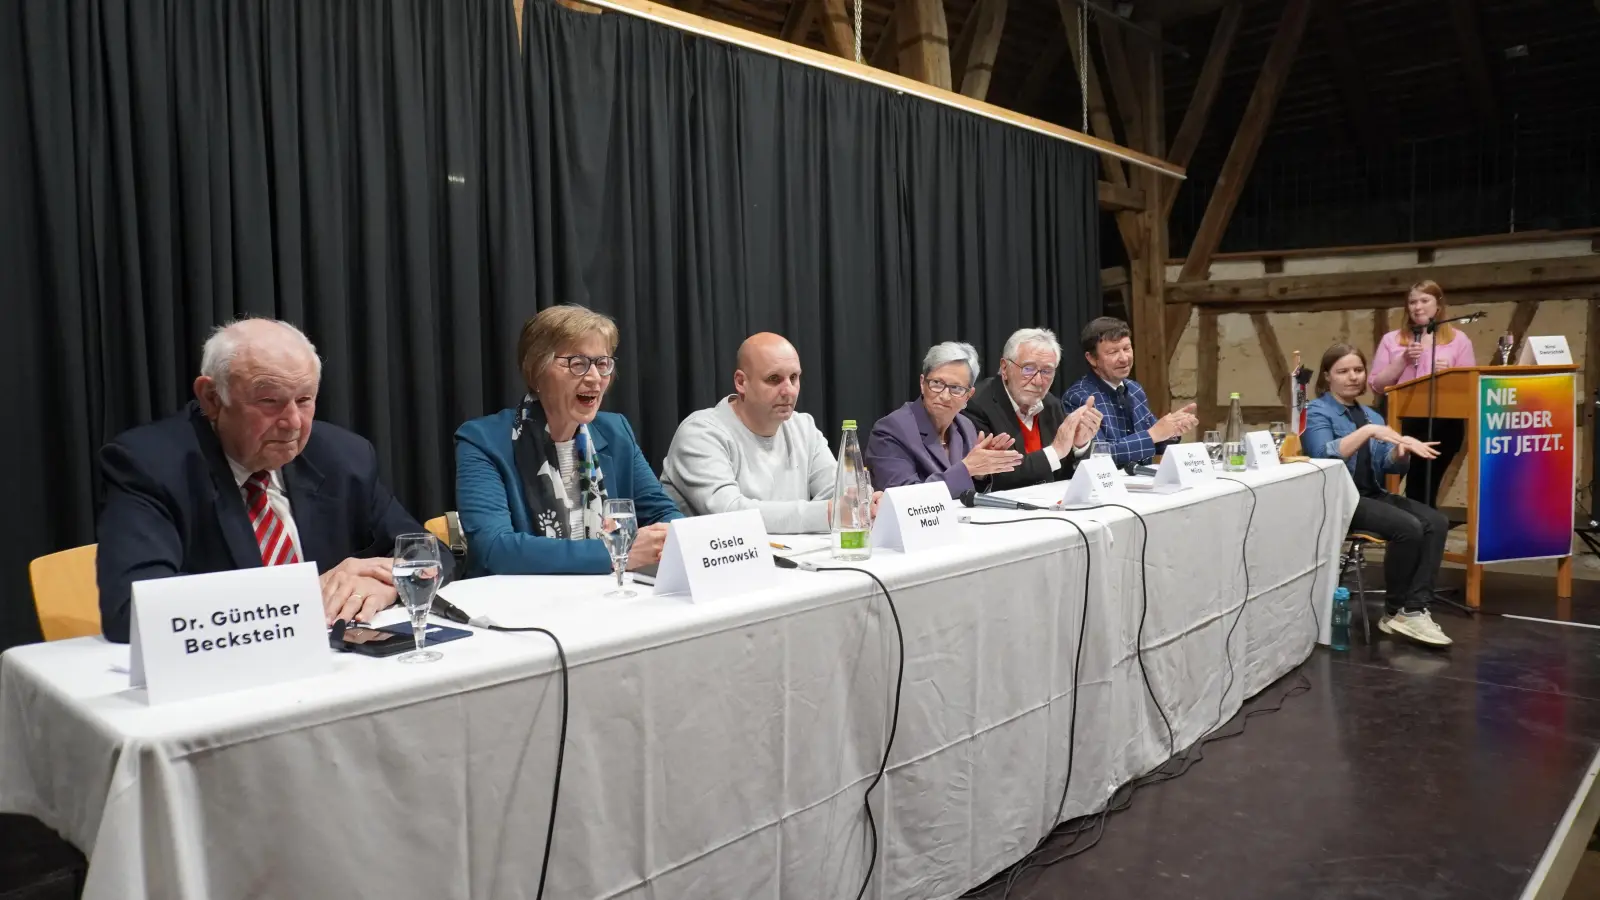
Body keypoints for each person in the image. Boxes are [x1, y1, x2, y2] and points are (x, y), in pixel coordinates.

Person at [95, 319, 447, 644]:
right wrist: (304, 593)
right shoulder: (149, 465)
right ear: (212, 398)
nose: (293, 422)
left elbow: (431, 554)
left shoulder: (344, 456)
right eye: (269, 402)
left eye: (305, 400)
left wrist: (390, 585)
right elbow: (132, 611)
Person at [455, 305, 682, 576]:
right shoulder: (483, 440)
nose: (595, 378)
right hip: (519, 606)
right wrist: (614, 551)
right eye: (577, 364)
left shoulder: (615, 431)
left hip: (602, 598)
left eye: (602, 363)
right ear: (536, 369)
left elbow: (665, 515)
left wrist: (667, 535)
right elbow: (494, 548)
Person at [1305, 342, 1451, 647]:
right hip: (1341, 500)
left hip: (1372, 493)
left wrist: (1400, 452)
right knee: (1408, 528)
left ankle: (1415, 609)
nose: (1353, 377)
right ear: (1327, 377)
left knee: (1436, 522)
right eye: (1343, 371)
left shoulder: (1371, 414)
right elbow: (1323, 455)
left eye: (1358, 370)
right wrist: (1367, 433)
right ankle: (1396, 610)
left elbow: (1390, 468)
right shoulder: (1317, 411)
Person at [660, 332, 880, 533]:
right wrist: (829, 513)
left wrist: (864, 503)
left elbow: (840, 492)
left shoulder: (803, 427)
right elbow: (729, 512)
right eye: (774, 379)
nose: (789, 391)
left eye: (794, 377)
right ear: (741, 382)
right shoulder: (700, 433)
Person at [1368, 280, 1475, 507]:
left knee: (1424, 492)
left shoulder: (1459, 340)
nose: (1418, 307)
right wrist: (1402, 361)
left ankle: (1423, 536)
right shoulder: (1392, 340)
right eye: (1412, 302)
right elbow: (1377, 385)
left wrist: (1451, 374)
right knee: (1384, 487)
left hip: (1443, 423)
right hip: (1401, 420)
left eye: (1424, 300)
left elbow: (1469, 388)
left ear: (1438, 305)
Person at [865, 342, 1023, 494]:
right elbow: (904, 497)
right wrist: (967, 468)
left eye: (956, 388)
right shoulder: (891, 430)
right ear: (922, 383)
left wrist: (980, 472)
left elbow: (967, 493)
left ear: (968, 395)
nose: (945, 396)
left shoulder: (965, 427)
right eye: (937, 383)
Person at [962, 327, 1102, 492]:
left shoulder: (1051, 405)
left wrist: (1079, 446)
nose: (1038, 381)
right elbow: (998, 477)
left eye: (1046, 371)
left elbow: (1064, 475)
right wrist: (1055, 451)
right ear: (1005, 368)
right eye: (1028, 369)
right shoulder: (977, 405)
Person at [1062, 316, 1197, 467]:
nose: (1124, 358)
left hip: (1142, 482)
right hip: (1106, 486)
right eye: (1113, 352)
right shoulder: (1079, 397)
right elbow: (1095, 456)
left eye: (1127, 348)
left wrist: (1173, 430)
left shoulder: (1134, 389)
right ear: (1092, 359)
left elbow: (1155, 442)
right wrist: (1153, 434)